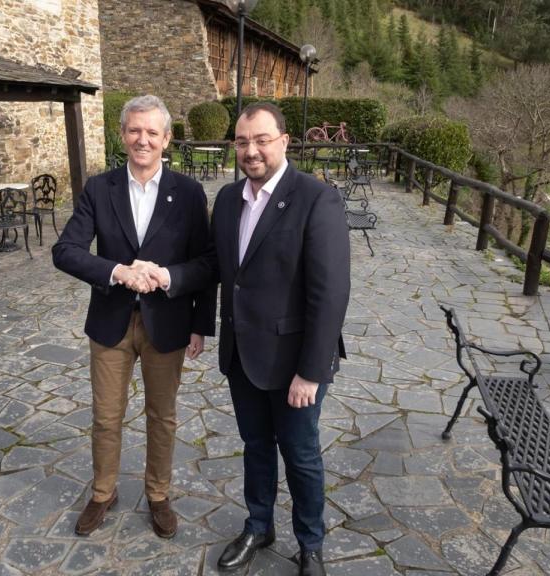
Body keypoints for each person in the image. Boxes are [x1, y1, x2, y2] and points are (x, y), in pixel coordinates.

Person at [145, 102, 350, 575]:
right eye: (242, 141)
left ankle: (311, 544)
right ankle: (259, 525)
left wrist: (311, 371)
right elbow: (216, 268)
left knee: (300, 455)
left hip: (294, 361)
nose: (251, 150)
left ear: (283, 141)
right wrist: (170, 278)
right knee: (256, 447)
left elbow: (330, 293)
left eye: (261, 139)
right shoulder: (230, 198)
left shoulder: (316, 199)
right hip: (242, 355)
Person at [51, 94, 215, 539]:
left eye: (152, 132)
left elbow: (207, 263)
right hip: (111, 322)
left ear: (167, 139)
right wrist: (116, 271)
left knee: (162, 417)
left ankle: (158, 494)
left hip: (169, 323)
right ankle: (103, 492)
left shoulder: (189, 193)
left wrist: (190, 309)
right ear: (123, 135)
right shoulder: (98, 188)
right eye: (134, 130)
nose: (142, 140)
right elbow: (64, 251)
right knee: (106, 416)